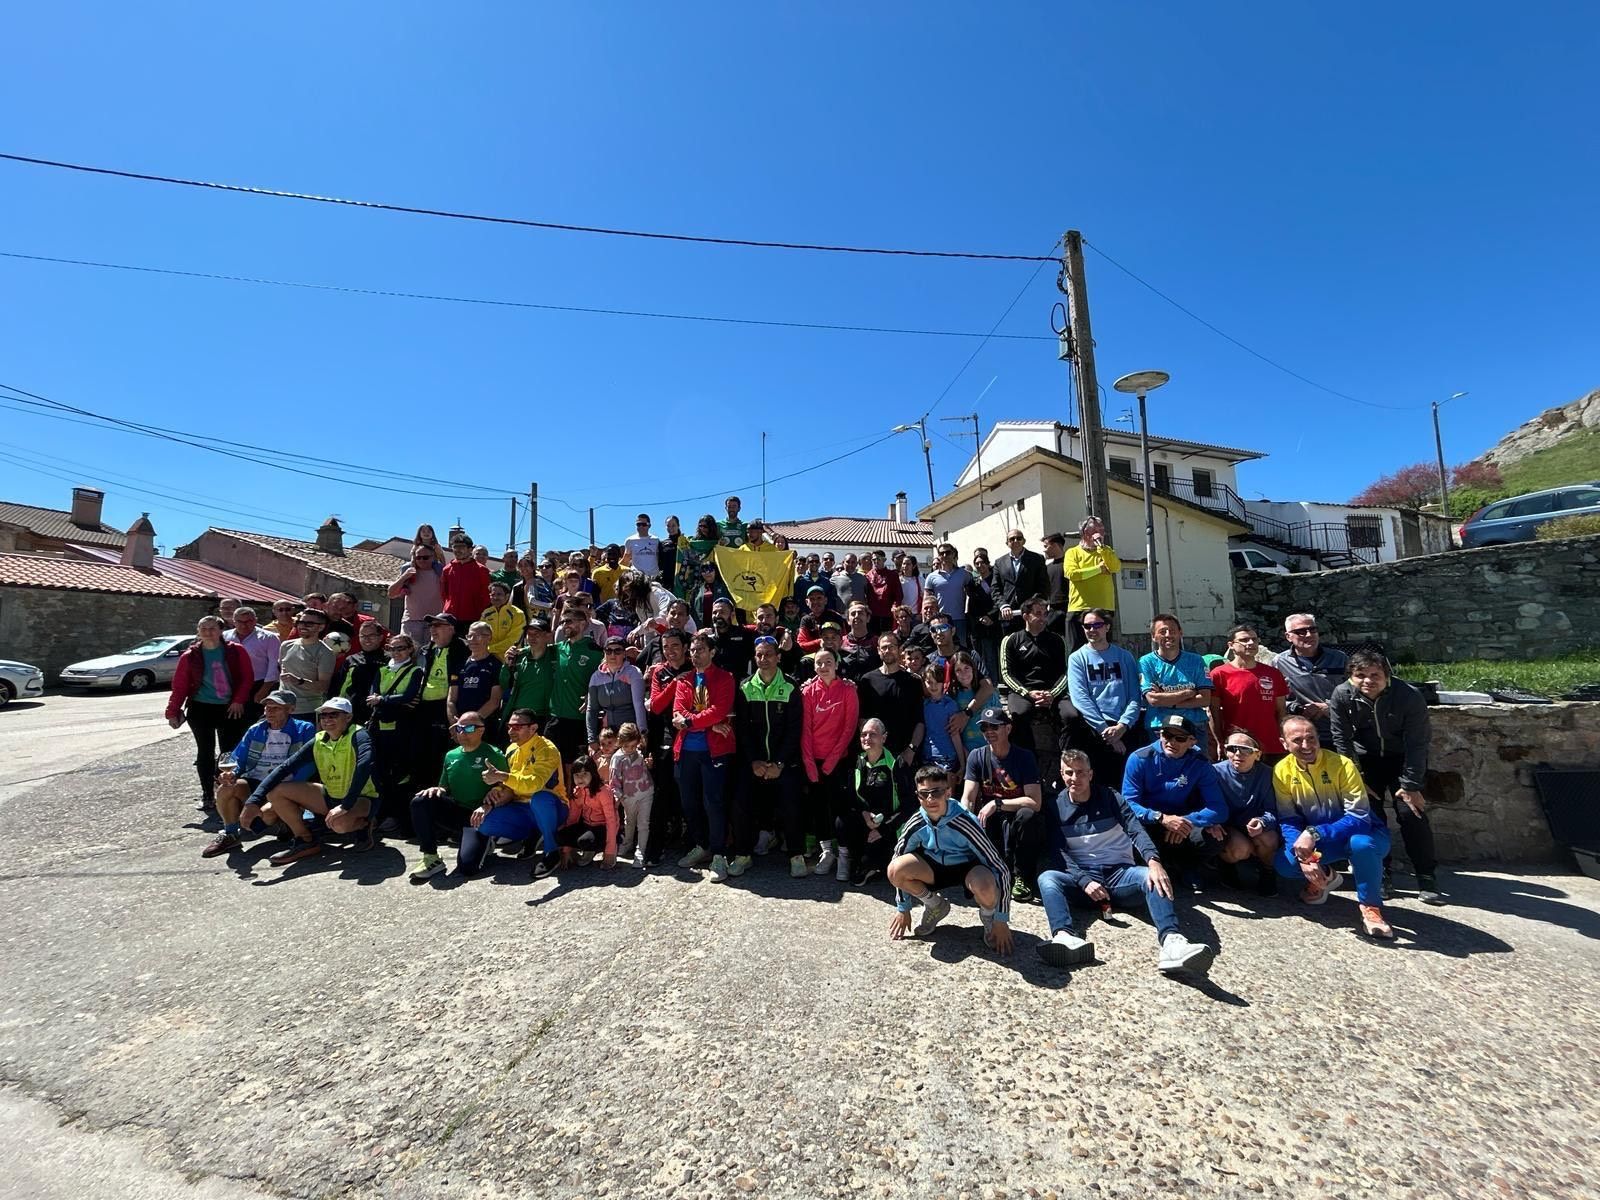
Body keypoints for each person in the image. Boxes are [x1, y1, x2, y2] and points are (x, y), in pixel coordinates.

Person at [1034, 748, 1215, 975]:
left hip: (1120, 876)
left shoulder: (1110, 797)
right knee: (1047, 878)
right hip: (1085, 884)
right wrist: (1083, 881)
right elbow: (1058, 852)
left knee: (1151, 876)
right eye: (1069, 772)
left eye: (1080, 772)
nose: (1074, 778)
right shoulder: (1055, 806)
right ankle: (1064, 937)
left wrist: (1153, 861)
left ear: (1091, 774)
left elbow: (1135, 829)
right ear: (1061, 774)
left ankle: (1172, 942)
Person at [1331, 651, 1444, 904]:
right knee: (1370, 816)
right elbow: (1342, 739)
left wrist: (1411, 784)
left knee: (1411, 813)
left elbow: (1418, 743)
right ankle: (1381, 872)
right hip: (1367, 760)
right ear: (1351, 677)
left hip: (1401, 759)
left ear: (1387, 676)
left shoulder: (1408, 696)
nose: (1368, 681)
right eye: (1360, 675)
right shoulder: (1342, 694)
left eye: (1375, 675)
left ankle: (1426, 875)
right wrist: (1355, 777)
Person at [1273, 716, 1395, 938]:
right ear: (1284, 743)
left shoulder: (1342, 764)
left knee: (1361, 845)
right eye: (1297, 740)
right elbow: (1288, 818)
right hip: (1323, 840)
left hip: (1365, 834)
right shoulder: (1281, 770)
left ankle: (1371, 908)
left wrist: (1314, 833)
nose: (1306, 745)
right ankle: (1327, 877)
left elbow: (1359, 816)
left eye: (1311, 738)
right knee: (1285, 864)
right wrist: (1305, 858)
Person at [887, 765, 1014, 954]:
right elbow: (899, 855)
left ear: (948, 792)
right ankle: (935, 905)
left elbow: (1000, 868)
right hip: (934, 869)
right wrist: (903, 908)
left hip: (968, 870)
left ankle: (989, 916)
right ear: (918, 795)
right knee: (895, 869)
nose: (930, 799)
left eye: (936, 792)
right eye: (924, 794)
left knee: (985, 884)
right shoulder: (916, 822)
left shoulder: (965, 821)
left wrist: (1001, 919)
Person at [249, 697, 377, 866]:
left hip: (361, 797)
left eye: (333, 715)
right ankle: (305, 840)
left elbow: (364, 765)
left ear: (348, 717)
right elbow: (286, 767)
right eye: (323, 716)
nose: (327, 719)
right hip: (331, 794)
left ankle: (363, 825)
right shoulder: (319, 739)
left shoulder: (359, 735)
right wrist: (253, 801)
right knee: (276, 791)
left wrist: (345, 805)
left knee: (338, 826)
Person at [202, 688, 316, 857]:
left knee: (266, 817)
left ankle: (285, 822)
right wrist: (232, 774)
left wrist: (292, 788)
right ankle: (230, 833)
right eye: (267, 707)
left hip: (285, 784)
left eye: (275, 708)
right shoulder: (256, 730)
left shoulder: (304, 729)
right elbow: (238, 758)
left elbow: (309, 763)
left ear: (291, 709)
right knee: (226, 788)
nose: (269, 712)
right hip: (256, 781)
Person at [1122, 714, 1230, 891]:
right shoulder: (1139, 758)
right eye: (1167, 735)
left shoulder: (1200, 763)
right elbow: (1128, 804)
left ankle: (1189, 867)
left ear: (1192, 741)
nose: (1171, 742)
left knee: (1216, 837)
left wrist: (1185, 821)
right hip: (1150, 821)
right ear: (1160, 735)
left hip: (1182, 822)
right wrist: (1160, 818)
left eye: (1179, 738)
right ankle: (1156, 866)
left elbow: (1219, 808)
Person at [407, 710, 510, 881]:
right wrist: (437, 790)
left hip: (482, 817)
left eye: (469, 728)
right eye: (459, 728)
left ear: (481, 730)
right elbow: (444, 787)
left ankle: (487, 839)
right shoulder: (451, 755)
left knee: (468, 868)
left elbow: (509, 790)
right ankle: (431, 857)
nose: (462, 733)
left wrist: (489, 804)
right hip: (458, 813)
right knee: (421, 800)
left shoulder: (494, 754)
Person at [167, 615, 255, 814]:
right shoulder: (190, 656)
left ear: (220, 630)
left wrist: (238, 700)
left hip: (230, 708)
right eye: (204, 628)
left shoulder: (235, 651)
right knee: (205, 752)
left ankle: (227, 790)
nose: (208, 632)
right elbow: (179, 686)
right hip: (201, 708)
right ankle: (207, 794)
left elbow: (246, 678)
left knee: (228, 753)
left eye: (212, 628)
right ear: (198, 631)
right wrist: (172, 711)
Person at [734, 635, 803, 874]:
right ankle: (743, 855)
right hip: (754, 762)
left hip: (784, 762)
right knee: (741, 801)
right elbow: (742, 728)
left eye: (769, 655)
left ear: (778, 657)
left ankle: (796, 855)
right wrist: (754, 761)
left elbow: (795, 729)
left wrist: (780, 763)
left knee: (792, 804)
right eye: (759, 655)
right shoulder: (744, 686)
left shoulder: (791, 686)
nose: (763, 659)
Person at [671, 632, 737, 881]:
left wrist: (690, 721)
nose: (695, 654)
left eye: (700, 650)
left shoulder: (725, 678)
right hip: (686, 751)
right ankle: (702, 845)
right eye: (693, 651)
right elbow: (677, 713)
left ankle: (719, 853)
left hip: (714, 751)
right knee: (689, 802)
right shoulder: (684, 680)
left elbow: (718, 711)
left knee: (714, 802)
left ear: (712, 652)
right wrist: (706, 724)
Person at [961, 706, 1044, 893]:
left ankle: (1021, 876)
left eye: (995, 727)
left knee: (1028, 816)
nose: (989, 732)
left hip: (1015, 815)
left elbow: (1035, 802)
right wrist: (965, 819)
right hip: (991, 818)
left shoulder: (1024, 757)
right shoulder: (977, 756)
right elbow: (968, 797)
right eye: (985, 728)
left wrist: (997, 803)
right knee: (971, 818)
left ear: (1008, 728)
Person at [998, 596, 1075, 785]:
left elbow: (1067, 672)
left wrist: (1052, 694)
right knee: (1019, 713)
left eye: (1045, 614)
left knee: (1071, 716)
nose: (1043, 618)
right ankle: (1029, 764)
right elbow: (1006, 674)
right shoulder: (1011, 640)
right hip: (1023, 691)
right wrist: (1027, 693)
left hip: (1053, 691)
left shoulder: (1057, 640)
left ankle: (1067, 762)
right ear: (1025, 616)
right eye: (1038, 613)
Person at [483, 708, 568, 878]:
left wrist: (503, 777)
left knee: (540, 798)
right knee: (485, 824)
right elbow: (509, 784)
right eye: (509, 726)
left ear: (533, 728)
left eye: (517, 726)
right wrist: (497, 789)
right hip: (523, 807)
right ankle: (534, 833)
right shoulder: (511, 749)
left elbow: (534, 784)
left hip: (553, 806)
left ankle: (552, 852)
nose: (511, 730)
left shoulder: (547, 749)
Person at [1066, 607, 1142, 789]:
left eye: (1097, 625)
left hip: (1124, 725)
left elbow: (1134, 695)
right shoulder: (1077, 658)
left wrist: (1123, 725)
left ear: (1107, 627)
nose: (1092, 630)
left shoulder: (1124, 656)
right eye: (1087, 626)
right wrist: (1108, 733)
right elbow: (1080, 698)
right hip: (1096, 727)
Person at [800, 647, 859, 879]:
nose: (823, 667)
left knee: (840, 810)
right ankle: (827, 852)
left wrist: (832, 761)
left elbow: (849, 728)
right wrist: (809, 763)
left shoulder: (848, 690)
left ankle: (844, 855)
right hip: (813, 761)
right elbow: (805, 730)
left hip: (839, 761)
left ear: (836, 665)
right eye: (819, 663)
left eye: (828, 662)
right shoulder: (807, 692)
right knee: (818, 807)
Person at [835, 719, 908, 884]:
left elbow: (909, 805)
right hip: (866, 821)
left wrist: (884, 829)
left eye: (872, 734)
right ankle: (847, 859)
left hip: (889, 826)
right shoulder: (857, 761)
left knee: (872, 864)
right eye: (863, 734)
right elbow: (851, 797)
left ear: (884, 738)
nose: (867, 738)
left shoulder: (896, 763)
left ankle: (873, 864)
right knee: (842, 821)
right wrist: (863, 813)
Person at [366, 631, 424, 832]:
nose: (396, 652)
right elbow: (371, 694)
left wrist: (382, 700)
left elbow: (408, 696)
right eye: (392, 648)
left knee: (400, 772)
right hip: (379, 726)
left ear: (410, 650)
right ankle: (380, 813)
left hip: (401, 726)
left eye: (401, 648)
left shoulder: (415, 671)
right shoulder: (382, 670)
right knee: (379, 770)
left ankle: (398, 817)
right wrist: (382, 700)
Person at [1213, 730, 1282, 896]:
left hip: (1255, 823)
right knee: (1239, 848)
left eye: (1245, 749)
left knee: (1269, 838)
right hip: (1229, 825)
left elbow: (1273, 809)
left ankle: (1267, 871)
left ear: (1257, 754)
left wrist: (1263, 821)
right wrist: (1213, 821)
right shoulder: (1214, 772)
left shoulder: (1268, 774)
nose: (1238, 754)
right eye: (1232, 749)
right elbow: (1208, 804)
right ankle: (1226, 865)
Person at [645, 629, 693, 864]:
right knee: (662, 791)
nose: (670, 651)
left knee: (691, 790)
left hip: (692, 732)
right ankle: (654, 848)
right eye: (665, 647)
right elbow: (655, 706)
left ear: (685, 647)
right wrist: (675, 683)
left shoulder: (696, 667)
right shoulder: (660, 672)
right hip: (665, 733)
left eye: (675, 646)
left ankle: (694, 842)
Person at [1139, 613, 1214, 757]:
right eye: (1162, 632)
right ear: (1153, 636)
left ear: (1180, 633)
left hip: (1194, 725)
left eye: (1172, 631)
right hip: (1159, 727)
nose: (1168, 635)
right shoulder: (1146, 662)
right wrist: (1188, 693)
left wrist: (1167, 700)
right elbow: (1153, 700)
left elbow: (1205, 699)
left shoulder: (1196, 661)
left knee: (1198, 773)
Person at [1208, 625, 1290, 758]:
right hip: (1238, 748)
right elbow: (1214, 712)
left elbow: (1281, 711)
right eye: (1244, 640)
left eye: (1254, 639)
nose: (1251, 643)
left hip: (1272, 746)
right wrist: (1219, 742)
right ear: (1231, 645)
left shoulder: (1273, 674)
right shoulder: (1219, 674)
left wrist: (1285, 738)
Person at [856, 633, 925, 775]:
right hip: (875, 754)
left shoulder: (913, 682)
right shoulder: (867, 680)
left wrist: (911, 750)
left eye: (892, 647)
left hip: (905, 755)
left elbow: (919, 721)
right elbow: (862, 719)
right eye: (884, 647)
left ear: (900, 650)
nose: (887, 650)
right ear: (878, 650)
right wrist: (872, 749)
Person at [1276, 613, 1347, 743]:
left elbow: (1354, 692)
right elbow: (1274, 700)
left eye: (1313, 629)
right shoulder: (1279, 663)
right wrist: (1297, 708)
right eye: (1301, 632)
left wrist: (1328, 706)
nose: (1309, 635)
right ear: (1288, 636)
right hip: (1302, 738)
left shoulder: (1340, 659)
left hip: (1339, 732)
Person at [416, 615, 467, 791]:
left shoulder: (462, 649)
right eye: (431, 625)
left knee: (441, 751)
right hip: (423, 707)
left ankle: (441, 789)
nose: (432, 629)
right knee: (423, 750)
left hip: (445, 707)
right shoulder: (427, 649)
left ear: (451, 629)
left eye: (438, 625)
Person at [548, 615, 604, 765]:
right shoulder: (557, 648)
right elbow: (534, 650)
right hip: (556, 716)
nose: (565, 625)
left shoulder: (596, 651)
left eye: (569, 621)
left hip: (579, 718)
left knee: (575, 766)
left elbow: (606, 677)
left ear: (583, 623)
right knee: (552, 764)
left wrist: (593, 696)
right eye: (563, 622)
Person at [1063, 517, 1122, 650]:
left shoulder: (1106, 550)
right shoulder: (1072, 552)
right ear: (1085, 532)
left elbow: (1115, 568)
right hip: (1079, 608)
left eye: (1102, 530)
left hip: (1104, 608)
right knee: (1077, 649)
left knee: (1104, 648)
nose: (1100, 533)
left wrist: (1102, 549)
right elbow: (1072, 574)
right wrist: (1098, 569)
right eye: (1096, 529)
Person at [586, 636, 648, 752]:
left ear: (624, 653)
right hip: (608, 735)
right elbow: (591, 709)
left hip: (629, 733)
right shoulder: (596, 677)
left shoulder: (633, 672)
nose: (612, 655)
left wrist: (642, 732)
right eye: (608, 651)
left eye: (617, 651)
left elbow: (638, 704)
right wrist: (592, 739)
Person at [556, 755, 619, 869]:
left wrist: (610, 851)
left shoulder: (603, 791)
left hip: (603, 827)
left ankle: (606, 849)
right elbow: (572, 818)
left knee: (585, 841)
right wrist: (567, 850)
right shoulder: (577, 791)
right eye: (577, 775)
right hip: (587, 825)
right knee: (559, 834)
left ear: (593, 774)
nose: (580, 778)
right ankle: (588, 850)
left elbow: (611, 821)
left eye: (584, 774)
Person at [608, 722, 654, 870]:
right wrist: (620, 797)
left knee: (643, 823)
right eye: (627, 746)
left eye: (633, 746)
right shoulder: (617, 758)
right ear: (620, 742)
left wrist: (649, 764)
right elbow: (613, 782)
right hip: (628, 798)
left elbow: (646, 768)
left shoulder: (641, 752)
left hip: (646, 792)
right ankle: (627, 843)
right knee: (629, 822)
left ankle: (640, 852)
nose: (630, 749)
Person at [224, 606, 279, 723]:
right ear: (233, 621)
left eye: (248, 621)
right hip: (230, 685)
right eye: (240, 621)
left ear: (255, 621)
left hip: (258, 686)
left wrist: (264, 690)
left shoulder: (269, 638)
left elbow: (274, 666)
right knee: (230, 722)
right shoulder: (224, 637)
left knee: (253, 722)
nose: (244, 625)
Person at [277, 608, 335, 717]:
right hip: (282, 707)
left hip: (307, 710)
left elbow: (323, 686)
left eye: (309, 624)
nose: (303, 626)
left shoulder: (325, 652)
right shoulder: (286, 645)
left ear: (321, 627)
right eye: (300, 622)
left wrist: (299, 681)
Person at [501, 615, 555, 730]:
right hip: (519, 714)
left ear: (548, 636)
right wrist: (506, 665)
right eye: (529, 634)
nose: (532, 637)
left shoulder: (557, 655)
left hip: (544, 716)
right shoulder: (517, 657)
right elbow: (504, 684)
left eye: (537, 634)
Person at [328, 620, 387, 725]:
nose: (367, 639)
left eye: (371, 636)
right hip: (351, 713)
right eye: (363, 636)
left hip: (378, 713)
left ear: (380, 638)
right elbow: (336, 688)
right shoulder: (351, 660)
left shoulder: (390, 660)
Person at [389, 544, 446, 648]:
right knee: (409, 655)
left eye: (425, 557)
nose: (421, 560)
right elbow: (391, 593)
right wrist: (404, 577)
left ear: (433, 557)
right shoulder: (409, 573)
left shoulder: (440, 573)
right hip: (411, 623)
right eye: (418, 557)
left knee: (432, 657)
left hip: (434, 622)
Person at [992, 530, 1047, 634]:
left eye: (1019, 538)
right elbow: (995, 588)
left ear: (1024, 541)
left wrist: (1031, 605)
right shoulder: (999, 562)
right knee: (1010, 646)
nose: (1015, 541)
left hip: (1031, 613)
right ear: (1007, 543)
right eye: (1012, 539)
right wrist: (1003, 605)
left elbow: (1043, 586)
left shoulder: (1037, 559)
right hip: (1008, 614)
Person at [454, 622, 504, 736]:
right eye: (470, 636)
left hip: (483, 726)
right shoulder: (460, 664)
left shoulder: (496, 664)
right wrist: (455, 723)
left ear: (489, 638)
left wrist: (471, 723)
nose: (472, 639)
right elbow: (451, 699)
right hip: (459, 726)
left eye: (478, 635)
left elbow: (494, 701)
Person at [948, 651, 996, 761]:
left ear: (973, 669)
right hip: (969, 753)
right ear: (954, 674)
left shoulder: (988, 694)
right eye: (958, 670)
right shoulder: (953, 698)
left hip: (992, 749)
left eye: (966, 668)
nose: (963, 673)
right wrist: (965, 758)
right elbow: (955, 732)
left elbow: (999, 722)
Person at [923, 543, 972, 645]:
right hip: (940, 621)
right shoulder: (931, 577)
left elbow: (972, 595)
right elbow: (926, 601)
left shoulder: (964, 574)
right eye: (942, 553)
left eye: (948, 552)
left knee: (961, 650)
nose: (945, 555)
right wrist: (925, 619)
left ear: (953, 554)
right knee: (942, 648)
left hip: (960, 619)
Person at [440, 535, 491, 629]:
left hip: (473, 619)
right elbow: (444, 594)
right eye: (455, 547)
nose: (458, 550)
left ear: (470, 549)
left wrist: (479, 613)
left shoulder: (482, 570)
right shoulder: (446, 570)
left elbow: (486, 596)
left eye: (462, 547)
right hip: (450, 618)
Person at [921, 665, 961, 775]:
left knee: (946, 790)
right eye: (929, 682)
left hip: (946, 756)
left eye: (937, 682)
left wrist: (962, 763)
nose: (933, 686)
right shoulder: (924, 704)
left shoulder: (950, 705)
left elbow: (955, 734)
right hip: (927, 755)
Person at [709, 597, 755, 679]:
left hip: (738, 686)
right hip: (715, 685)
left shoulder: (745, 634)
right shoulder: (707, 638)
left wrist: (785, 632)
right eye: (714, 612)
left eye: (722, 612)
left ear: (732, 615)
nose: (717, 615)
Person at [482, 581, 527, 660]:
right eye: (492, 595)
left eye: (499, 594)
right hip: (488, 657)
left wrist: (489, 649)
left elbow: (513, 641)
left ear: (507, 596)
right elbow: (480, 634)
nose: (495, 597)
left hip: (508, 659)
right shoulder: (486, 613)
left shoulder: (517, 613)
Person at [796, 586, 846, 652]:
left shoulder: (836, 616)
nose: (816, 601)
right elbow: (801, 644)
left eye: (819, 598)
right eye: (812, 599)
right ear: (807, 602)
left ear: (825, 600)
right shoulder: (805, 620)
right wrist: (820, 642)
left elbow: (844, 640)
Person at [863, 549, 902, 633]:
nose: (876, 561)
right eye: (874, 560)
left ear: (884, 560)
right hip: (872, 614)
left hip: (887, 614)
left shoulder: (892, 575)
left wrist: (895, 606)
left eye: (878, 559)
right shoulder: (868, 576)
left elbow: (898, 594)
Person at [1041, 532, 1071, 638]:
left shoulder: (1070, 564)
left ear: (1054, 545)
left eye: (1046, 546)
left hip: (1070, 609)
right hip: (1053, 609)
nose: (1044, 550)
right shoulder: (1047, 568)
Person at [625, 514, 662, 582]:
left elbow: (659, 557)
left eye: (644, 524)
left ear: (649, 525)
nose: (641, 526)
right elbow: (626, 559)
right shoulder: (630, 540)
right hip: (637, 578)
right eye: (638, 524)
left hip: (653, 578)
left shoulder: (656, 540)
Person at [896, 553, 923, 619]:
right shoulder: (897, 580)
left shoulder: (920, 580)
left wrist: (921, 613)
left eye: (908, 564)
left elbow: (924, 597)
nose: (905, 566)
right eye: (904, 563)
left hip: (915, 615)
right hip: (901, 615)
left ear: (914, 566)